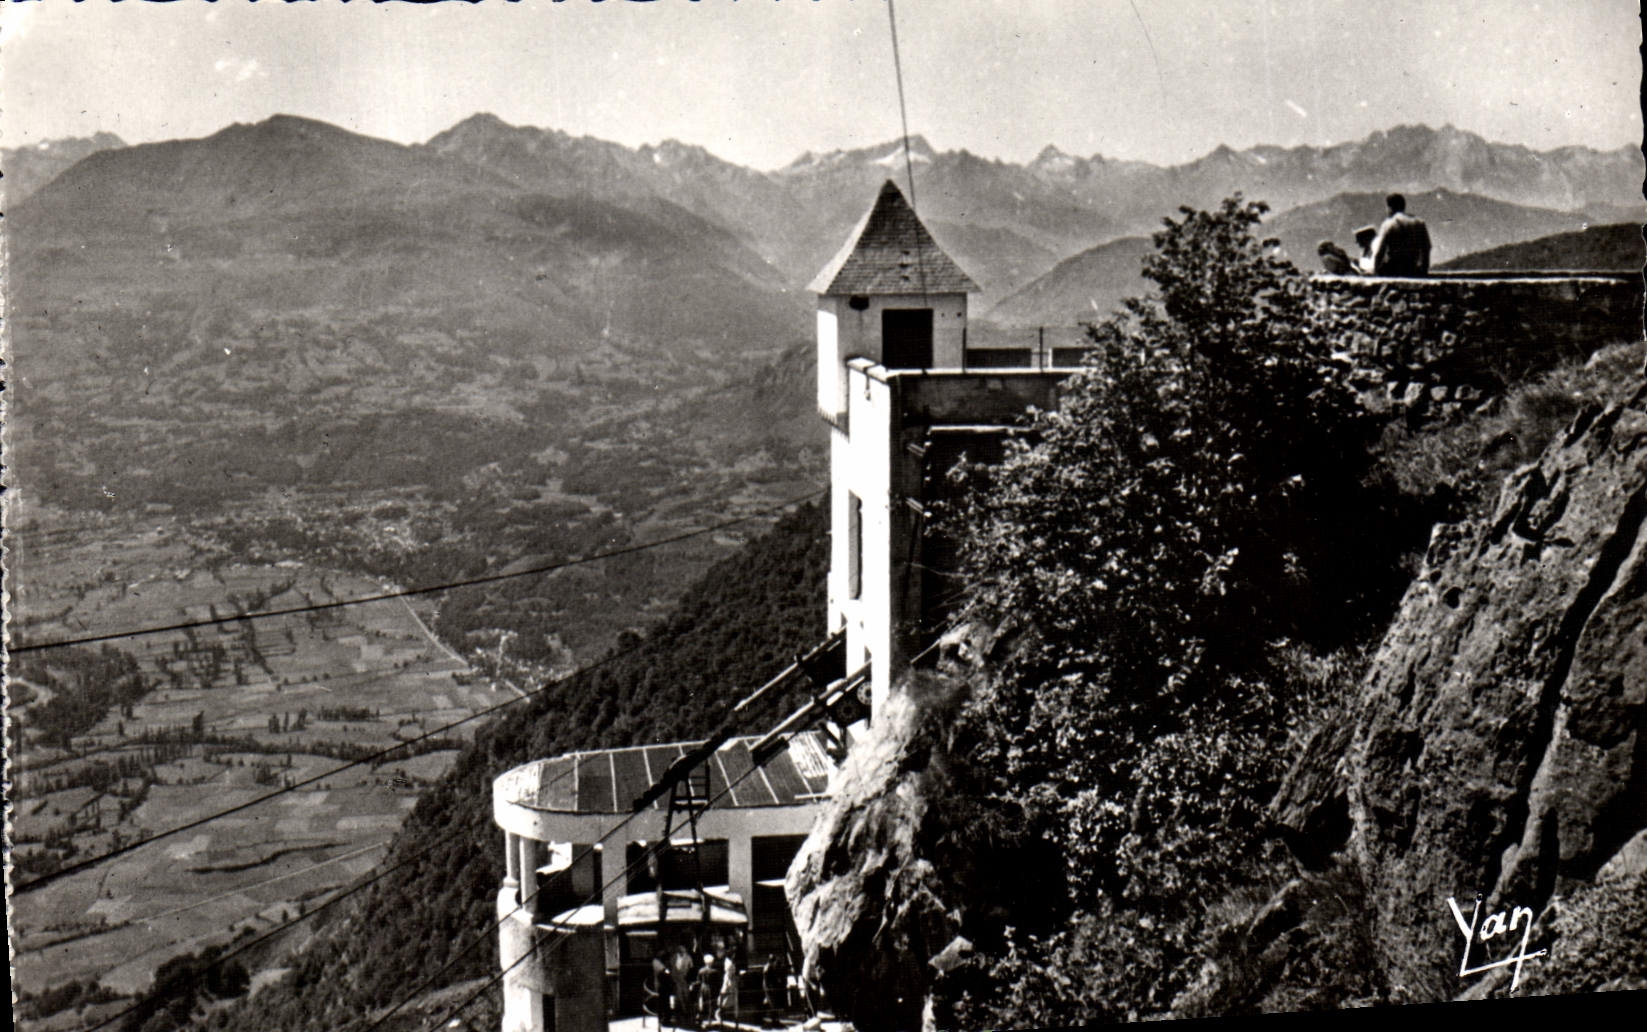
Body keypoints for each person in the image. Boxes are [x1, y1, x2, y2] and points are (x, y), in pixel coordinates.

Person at [1370, 193, 1431, 276]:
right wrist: (1424, 271)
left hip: (1393, 270)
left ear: (1390, 208)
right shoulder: (1419, 223)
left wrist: (1375, 271)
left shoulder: (1388, 224)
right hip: (1412, 268)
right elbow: (1426, 249)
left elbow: (1379, 252)